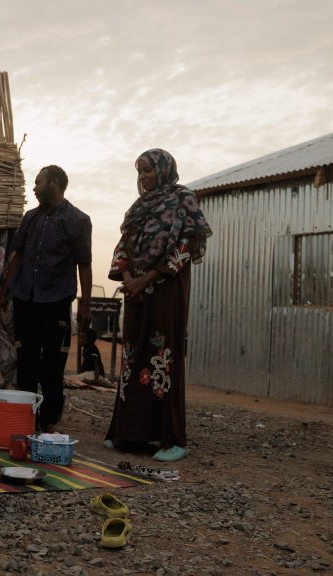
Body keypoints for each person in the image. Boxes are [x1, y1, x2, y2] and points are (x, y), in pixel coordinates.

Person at [104, 149, 212, 462]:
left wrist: (145, 279)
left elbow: (184, 248)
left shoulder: (183, 200)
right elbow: (123, 246)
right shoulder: (139, 207)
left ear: (163, 170)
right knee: (133, 359)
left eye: (148, 170)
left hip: (166, 292)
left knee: (162, 358)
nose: (142, 177)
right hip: (136, 293)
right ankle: (127, 433)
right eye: (139, 171)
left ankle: (172, 439)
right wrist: (128, 278)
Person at [0, 165, 93, 433]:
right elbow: (18, 256)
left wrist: (85, 305)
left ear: (54, 182)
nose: (34, 187)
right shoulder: (31, 218)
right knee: (26, 360)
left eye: (38, 182)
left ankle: (49, 421)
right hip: (26, 299)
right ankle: (26, 420)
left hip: (57, 301)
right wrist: (4, 292)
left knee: (52, 364)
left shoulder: (78, 220)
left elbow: (84, 264)